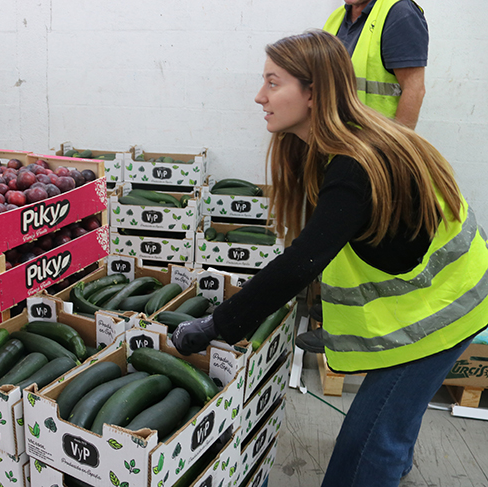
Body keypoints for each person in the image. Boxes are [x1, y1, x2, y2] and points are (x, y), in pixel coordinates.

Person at [172, 30, 488, 487]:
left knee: (365, 449)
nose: (260, 96)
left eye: (273, 83)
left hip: (443, 313)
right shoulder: (324, 148)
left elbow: (303, 261)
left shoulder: (354, 164)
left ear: (313, 92)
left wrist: (214, 326)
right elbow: (323, 246)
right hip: (438, 298)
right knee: (393, 426)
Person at [323, 0, 428, 129]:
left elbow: (414, 89)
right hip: (335, 138)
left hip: (374, 141)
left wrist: (394, 146)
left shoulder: (399, 12)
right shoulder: (337, 17)